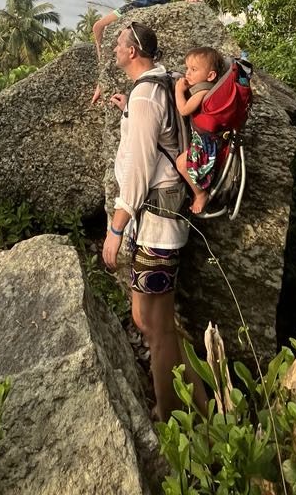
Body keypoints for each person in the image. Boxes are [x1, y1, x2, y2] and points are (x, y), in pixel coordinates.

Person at [102, 21, 207, 420]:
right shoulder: (153, 87)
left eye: (119, 43)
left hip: (158, 227)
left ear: (133, 51)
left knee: (156, 325)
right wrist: (128, 110)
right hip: (157, 224)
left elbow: (140, 170)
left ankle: (169, 415)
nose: (114, 48)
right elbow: (152, 136)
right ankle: (199, 402)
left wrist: (116, 228)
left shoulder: (146, 95)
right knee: (148, 319)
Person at [175, 46, 251, 214]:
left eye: (193, 69)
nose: (187, 73)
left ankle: (200, 194)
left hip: (206, 146)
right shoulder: (208, 89)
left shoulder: (203, 91)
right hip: (208, 142)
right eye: (187, 68)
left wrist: (178, 90)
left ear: (210, 76)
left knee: (181, 164)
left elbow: (184, 109)